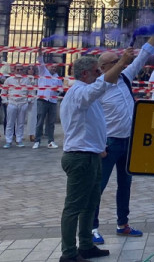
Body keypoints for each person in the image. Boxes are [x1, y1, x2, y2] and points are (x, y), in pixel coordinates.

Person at [58, 50, 134, 262]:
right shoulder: (79, 92)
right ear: (84, 75)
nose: (100, 75)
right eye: (96, 71)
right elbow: (101, 85)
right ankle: (69, 253)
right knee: (74, 207)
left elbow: (92, 124)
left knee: (90, 204)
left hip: (91, 154)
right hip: (80, 157)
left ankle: (86, 245)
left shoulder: (88, 93)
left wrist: (99, 147)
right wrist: (122, 63)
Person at [91, 34, 154, 245]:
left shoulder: (125, 77)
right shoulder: (98, 87)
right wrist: (98, 145)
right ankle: (91, 227)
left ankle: (123, 224)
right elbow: (91, 120)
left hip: (128, 141)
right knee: (97, 187)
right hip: (108, 144)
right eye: (116, 62)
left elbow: (142, 57)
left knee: (125, 185)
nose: (122, 63)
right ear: (103, 67)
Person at [35, 46, 61, 149]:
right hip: (42, 100)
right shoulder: (43, 72)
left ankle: (51, 141)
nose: (54, 68)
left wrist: (58, 90)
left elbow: (60, 88)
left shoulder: (58, 77)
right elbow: (40, 61)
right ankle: (37, 141)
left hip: (53, 101)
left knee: (51, 123)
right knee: (40, 121)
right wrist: (40, 52)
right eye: (52, 67)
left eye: (55, 67)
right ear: (48, 66)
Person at [3, 65, 32, 148]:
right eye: (18, 69)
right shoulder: (9, 80)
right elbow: (3, 91)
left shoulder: (26, 80)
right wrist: (5, 101)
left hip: (23, 103)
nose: (19, 71)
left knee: (21, 123)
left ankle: (19, 140)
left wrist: (28, 101)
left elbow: (30, 92)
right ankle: (8, 140)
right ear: (14, 70)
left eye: (21, 70)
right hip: (12, 102)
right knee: (10, 123)